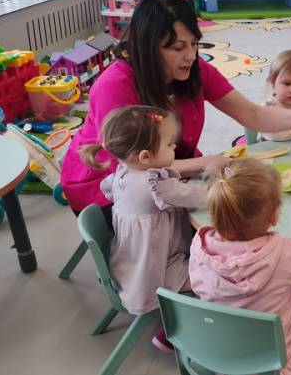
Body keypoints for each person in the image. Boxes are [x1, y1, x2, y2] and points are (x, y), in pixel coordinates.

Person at [61, 0, 291, 218]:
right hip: (109, 187)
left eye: (194, 44)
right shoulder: (115, 85)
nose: (190, 55)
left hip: (172, 169)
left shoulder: (195, 70)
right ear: (147, 47)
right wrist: (205, 163)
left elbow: (253, 114)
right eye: (177, 48)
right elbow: (134, 168)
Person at [189, 158, 291, 375]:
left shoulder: (198, 246)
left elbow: (198, 288)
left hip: (220, 354)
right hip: (275, 364)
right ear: (274, 215)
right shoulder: (284, 253)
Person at [79, 106, 207, 351]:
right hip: (155, 271)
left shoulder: (123, 173)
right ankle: (173, 334)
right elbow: (198, 197)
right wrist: (223, 189)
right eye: (170, 144)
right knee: (214, 276)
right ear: (146, 157)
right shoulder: (154, 185)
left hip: (128, 264)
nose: (175, 147)